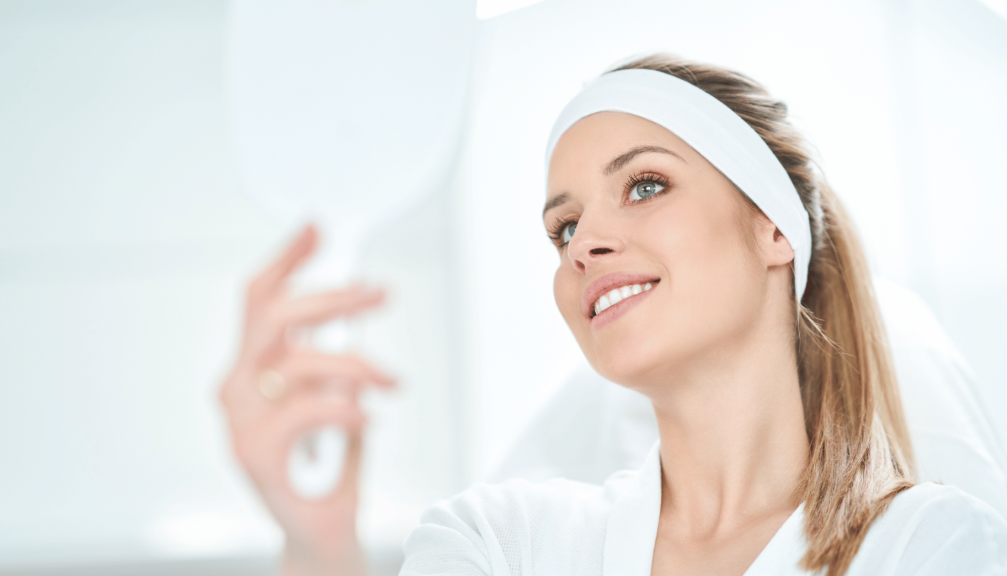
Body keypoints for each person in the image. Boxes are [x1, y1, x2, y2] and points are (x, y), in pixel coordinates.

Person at [220, 55, 1007, 575]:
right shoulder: (506, 543)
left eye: (644, 185)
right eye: (563, 228)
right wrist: (317, 547)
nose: (583, 245)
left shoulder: (930, 549)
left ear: (773, 228)